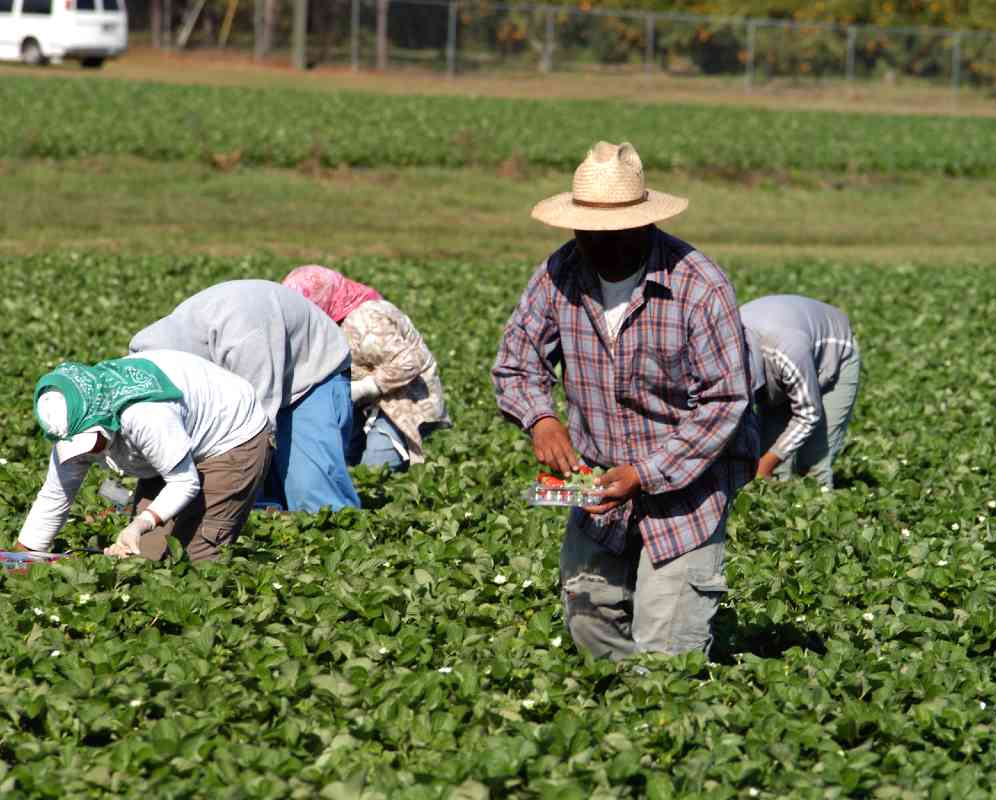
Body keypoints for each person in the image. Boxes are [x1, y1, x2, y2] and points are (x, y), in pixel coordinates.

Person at [492, 141, 758, 660]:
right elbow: (516, 361)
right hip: (597, 483)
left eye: (610, 232)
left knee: (666, 654)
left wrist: (645, 472)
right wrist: (540, 419)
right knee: (589, 619)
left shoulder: (698, 286)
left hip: (687, 493)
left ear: (643, 223)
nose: (595, 242)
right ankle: (617, 725)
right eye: (585, 230)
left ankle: (660, 726)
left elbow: (725, 400)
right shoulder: (559, 274)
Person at [16, 351, 272, 561]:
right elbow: (56, 494)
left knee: (195, 561)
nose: (88, 452)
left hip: (230, 438)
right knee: (144, 558)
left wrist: (140, 524)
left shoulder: (145, 416)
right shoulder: (72, 422)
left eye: (91, 441)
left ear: (102, 417)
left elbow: (184, 482)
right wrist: (21, 557)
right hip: (168, 446)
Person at [129, 279, 359, 512]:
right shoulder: (150, 349)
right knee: (253, 497)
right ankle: (268, 522)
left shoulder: (245, 338)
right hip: (250, 365)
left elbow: (258, 423)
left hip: (311, 372)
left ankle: (330, 533)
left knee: (311, 491)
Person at [282, 265, 450, 471]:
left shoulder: (364, 319)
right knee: (348, 460)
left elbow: (408, 362)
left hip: (405, 401)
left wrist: (364, 388)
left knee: (375, 467)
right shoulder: (337, 315)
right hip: (368, 403)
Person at [741, 295, 862, 489]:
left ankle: (818, 507)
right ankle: (776, 508)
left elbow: (808, 414)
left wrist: (763, 467)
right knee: (770, 454)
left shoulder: (784, 350)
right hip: (784, 359)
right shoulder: (723, 350)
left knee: (813, 463)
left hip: (833, 358)